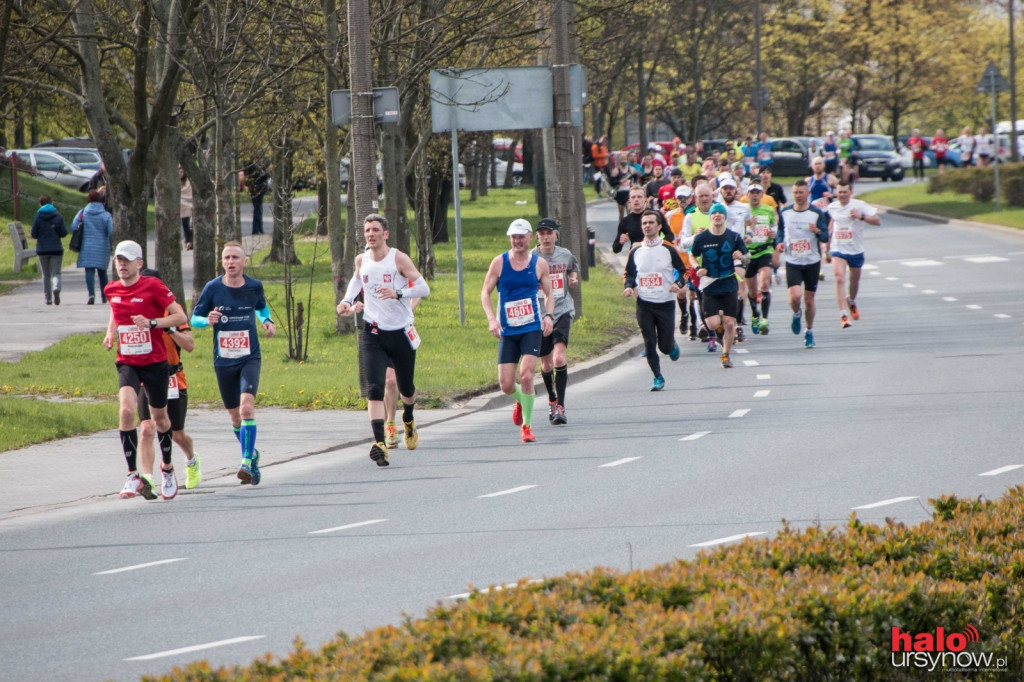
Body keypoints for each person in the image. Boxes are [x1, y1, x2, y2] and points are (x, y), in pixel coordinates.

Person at [336, 215, 430, 465]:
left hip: (400, 332)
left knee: (406, 388)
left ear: (385, 234)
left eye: (376, 230)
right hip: (373, 332)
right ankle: (379, 443)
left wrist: (399, 293)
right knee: (376, 387)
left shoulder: (398, 258)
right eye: (367, 230)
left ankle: (408, 417)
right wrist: (347, 301)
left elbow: (423, 288)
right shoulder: (362, 259)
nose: (371, 234)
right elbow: (357, 280)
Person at [101, 241, 187, 500]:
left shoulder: (153, 286)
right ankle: (132, 475)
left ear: (139, 263)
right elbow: (116, 310)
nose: (122, 265)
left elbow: (180, 317)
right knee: (126, 411)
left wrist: (152, 323)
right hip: (127, 361)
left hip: (155, 363)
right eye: (118, 260)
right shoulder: (111, 288)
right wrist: (110, 332)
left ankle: (168, 469)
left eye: (127, 260)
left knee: (160, 420)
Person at [191, 241, 276, 483]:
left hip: (249, 356)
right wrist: (207, 320)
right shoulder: (212, 288)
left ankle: (246, 463)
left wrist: (266, 321)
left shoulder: (254, 286)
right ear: (222, 262)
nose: (230, 262)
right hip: (224, 360)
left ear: (244, 261)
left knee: (247, 408)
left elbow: (260, 308)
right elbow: (194, 318)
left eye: (235, 258)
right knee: (234, 416)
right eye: (226, 258)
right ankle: (252, 454)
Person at [481, 219, 555, 442]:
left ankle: (527, 427)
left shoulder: (539, 264)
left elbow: (549, 294)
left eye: (521, 236)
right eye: (514, 236)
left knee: (526, 374)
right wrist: (492, 319)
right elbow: (485, 293)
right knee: (505, 384)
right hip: (508, 330)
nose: (517, 240)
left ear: (530, 237)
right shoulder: (500, 262)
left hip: (532, 326)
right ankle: (522, 399)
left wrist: (549, 316)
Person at [136, 268, 201, 494]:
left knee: (176, 433)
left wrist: (167, 327)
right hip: (146, 377)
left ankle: (191, 461)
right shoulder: (136, 312)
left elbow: (190, 345)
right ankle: (148, 479)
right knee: (146, 429)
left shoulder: (173, 312)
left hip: (173, 378)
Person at [623, 210, 686, 389]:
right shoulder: (635, 250)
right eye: (644, 223)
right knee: (649, 342)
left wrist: (678, 283)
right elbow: (629, 273)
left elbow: (683, 271)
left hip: (665, 303)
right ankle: (657, 377)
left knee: (664, 347)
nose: (647, 226)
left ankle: (671, 345)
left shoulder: (668, 248)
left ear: (659, 226)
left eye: (651, 223)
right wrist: (628, 286)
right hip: (644, 303)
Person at [681, 204, 749, 369]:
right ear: (710, 217)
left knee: (730, 323)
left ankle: (725, 355)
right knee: (712, 324)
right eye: (714, 213)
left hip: (728, 283)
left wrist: (742, 256)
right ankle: (718, 328)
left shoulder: (733, 237)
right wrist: (697, 268)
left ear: (725, 217)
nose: (717, 215)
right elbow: (692, 255)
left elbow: (747, 258)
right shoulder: (702, 238)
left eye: (720, 213)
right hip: (709, 284)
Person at [532, 218, 580, 425]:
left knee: (559, 358)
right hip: (539, 314)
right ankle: (551, 398)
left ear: (556, 236)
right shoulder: (531, 257)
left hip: (562, 311)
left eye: (549, 233)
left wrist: (573, 278)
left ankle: (560, 405)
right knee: (546, 363)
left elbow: (573, 267)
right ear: (536, 237)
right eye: (542, 233)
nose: (545, 237)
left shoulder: (565, 254)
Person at [778, 180, 830, 348]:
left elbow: (824, 237)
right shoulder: (785, 212)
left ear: (808, 193)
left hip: (812, 261)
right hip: (793, 260)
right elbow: (780, 231)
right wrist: (779, 242)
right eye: (795, 192)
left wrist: (817, 231)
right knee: (794, 297)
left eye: (801, 192)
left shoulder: (816, 213)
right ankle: (796, 313)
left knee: (809, 299)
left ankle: (809, 331)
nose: (798, 196)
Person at [827, 182, 881, 328]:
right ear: (836, 193)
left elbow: (877, 221)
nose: (842, 195)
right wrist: (827, 245)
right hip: (838, 248)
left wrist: (861, 216)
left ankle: (851, 301)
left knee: (854, 282)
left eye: (845, 192)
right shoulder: (832, 207)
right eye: (839, 192)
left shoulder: (860, 205)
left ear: (851, 192)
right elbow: (832, 223)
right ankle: (843, 315)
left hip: (856, 250)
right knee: (839, 278)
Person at [742, 182, 778, 335]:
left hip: (765, 250)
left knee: (764, 284)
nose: (755, 195)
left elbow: (775, 227)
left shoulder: (768, 210)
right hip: (749, 253)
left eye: (758, 192)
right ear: (747, 195)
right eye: (752, 193)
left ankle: (765, 318)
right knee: (751, 290)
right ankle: (755, 314)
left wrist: (773, 233)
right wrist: (749, 227)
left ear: (762, 195)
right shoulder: (743, 211)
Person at [71, 189, 113, 304]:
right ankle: (104, 296)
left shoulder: (83, 212)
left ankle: (91, 294)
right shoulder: (106, 215)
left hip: (87, 246)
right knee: (102, 272)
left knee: (89, 271)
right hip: (102, 247)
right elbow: (111, 231)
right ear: (101, 201)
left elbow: (73, 226)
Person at [30, 194, 67, 306]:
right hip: (56, 248)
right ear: (51, 203)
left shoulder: (38, 216)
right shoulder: (58, 215)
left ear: (40, 204)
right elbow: (64, 233)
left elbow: (34, 234)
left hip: (42, 249)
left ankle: (48, 298)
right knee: (56, 272)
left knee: (45, 275)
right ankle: (56, 287)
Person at [613, 187, 673, 253]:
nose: (636, 200)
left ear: (645, 199)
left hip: (655, 252)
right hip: (636, 255)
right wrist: (620, 243)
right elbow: (615, 249)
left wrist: (660, 245)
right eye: (633, 197)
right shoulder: (625, 221)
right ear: (629, 200)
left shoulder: (656, 215)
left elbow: (670, 235)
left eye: (639, 197)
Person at [245, 160, 269, 235]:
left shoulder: (259, 168)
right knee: (257, 210)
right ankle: (256, 229)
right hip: (256, 191)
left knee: (259, 210)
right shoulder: (253, 168)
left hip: (259, 191)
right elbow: (258, 179)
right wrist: (267, 175)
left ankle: (259, 228)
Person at [180, 166, 194, 250]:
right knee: (185, 224)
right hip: (182, 206)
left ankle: (190, 241)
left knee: (191, 225)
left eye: (182, 172)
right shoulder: (176, 182)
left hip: (190, 205)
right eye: (179, 172)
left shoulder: (189, 182)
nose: (181, 174)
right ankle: (188, 241)